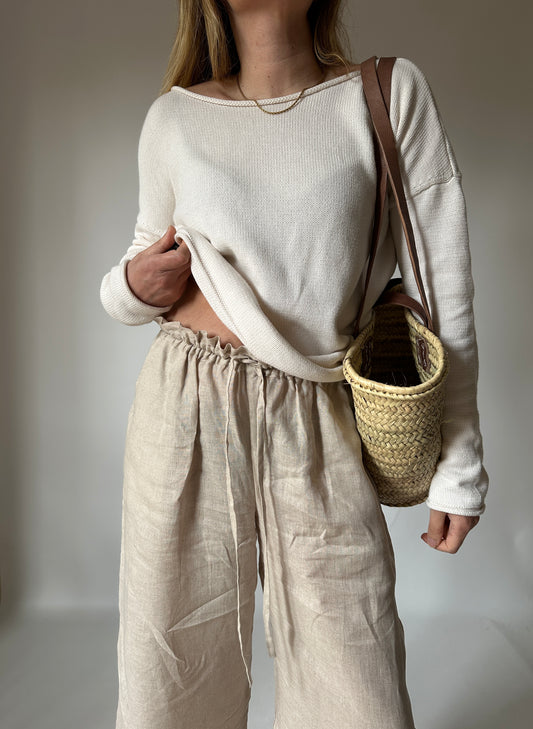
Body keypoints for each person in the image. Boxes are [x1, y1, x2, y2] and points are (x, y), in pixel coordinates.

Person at [99, 1, 489, 727]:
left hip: (318, 411)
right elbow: (138, 265)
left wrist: (458, 464)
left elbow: (443, 289)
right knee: (170, 672)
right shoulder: (174, 118)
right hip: (185, 402)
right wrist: (129, 286)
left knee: (356, 680)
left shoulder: (386, 94)